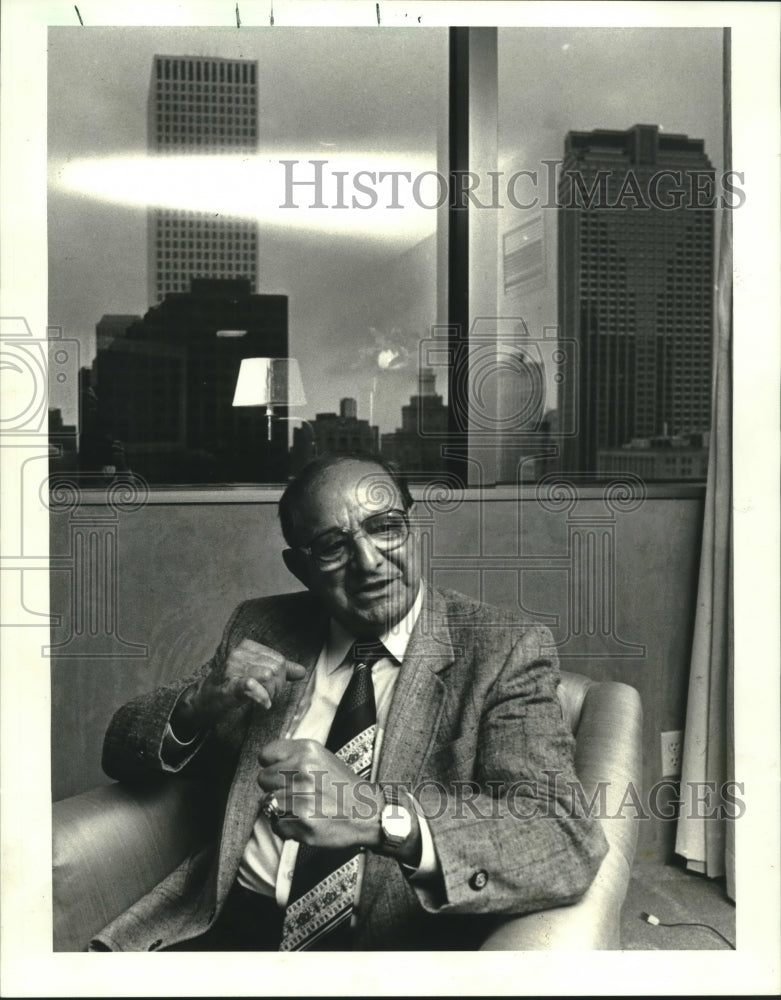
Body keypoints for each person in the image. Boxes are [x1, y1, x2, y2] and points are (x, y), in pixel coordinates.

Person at [93, 452, 608, 952]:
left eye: (385, 527)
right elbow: (120, 751)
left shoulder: (501, 648)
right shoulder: (263, 626)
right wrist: (197, 704)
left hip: (386, 950)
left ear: (413, 531)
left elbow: (562, 839)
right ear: (301, 568)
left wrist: (375, 816)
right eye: (332, 546)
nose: (368, 562)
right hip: (227, 926)